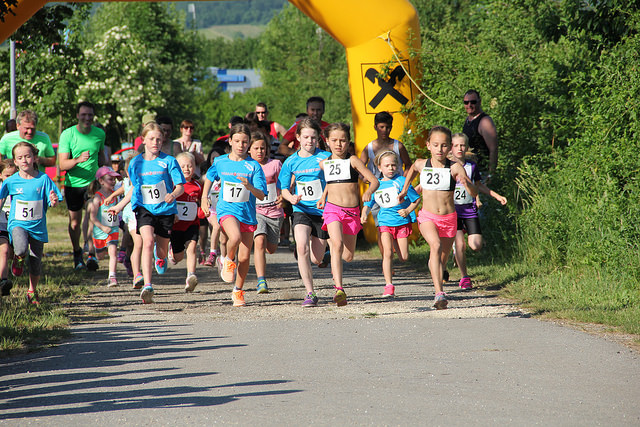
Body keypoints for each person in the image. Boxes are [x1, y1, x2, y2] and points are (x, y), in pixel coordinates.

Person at [399, 126, 477, 310]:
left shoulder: (455, 167)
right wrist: (405, 189)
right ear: (428, 145)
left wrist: (467, 183)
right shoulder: (422, 164)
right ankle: (439, 293)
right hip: (428, 217)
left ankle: (437, 272)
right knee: (435, 245)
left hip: (449, 218)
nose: (439, 149)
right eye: (435, 145)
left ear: (449, 147)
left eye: (443, 145)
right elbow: (412, 170)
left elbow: (473, 193)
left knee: (442, 258)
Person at [110, 123, 185, 304]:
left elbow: (180, 186)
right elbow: (134, 188)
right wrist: (119, 206)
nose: (155, 142)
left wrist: (173, 194)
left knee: (161, 251)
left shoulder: (169, 161)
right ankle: (148, 286)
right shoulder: (136, 163)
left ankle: (161, 257)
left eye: (159, 139)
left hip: (165, 210)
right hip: (144, 208)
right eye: (151, 139)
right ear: (143, 140)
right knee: (147, 241)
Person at [201, 123, 267, 307]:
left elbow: (262, 194)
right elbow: (209, 177)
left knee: (244, 258)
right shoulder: (220, 161)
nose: (241, 145)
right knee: (235, 237)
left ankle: (238, 290)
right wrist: (204, 198)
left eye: (244, 142)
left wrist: (249, 186)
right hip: (227, 210)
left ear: (249, 143)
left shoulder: (254, 166)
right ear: (230, 141)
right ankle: (228, 260)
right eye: (237, 141)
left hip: (247, 213)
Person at [318, 123, 378, 306]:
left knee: (348, 256)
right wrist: (324, 196)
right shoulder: (324, 163)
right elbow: (331, 182)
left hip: (351, 212)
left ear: (348, 141)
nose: (338, 144)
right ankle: (339, 289)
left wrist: (369, 191)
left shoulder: (353, 161)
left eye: (343, 140)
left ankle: (332, 248)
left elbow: (374, 181)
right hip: (332, 209)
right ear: (327, 141)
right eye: (334, 140)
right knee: (337, 244)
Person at [277, 117, 331, 307]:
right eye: (306, 137)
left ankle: (323, 253)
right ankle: (310, 293)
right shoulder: (291, 161)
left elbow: (334, 182)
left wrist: (325, 196)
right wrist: (291, 198)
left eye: (313, 137)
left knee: (317, 258)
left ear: (318, 138)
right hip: (301, 210)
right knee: (301, 248)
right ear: (298, 137)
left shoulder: (326, 158)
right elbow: (284, 188)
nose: (310, 141)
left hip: (321, 211)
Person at [0, 142, 63, 304]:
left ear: (35, 158)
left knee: (36, 262)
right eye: (20, 157)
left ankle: (32, 291)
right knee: (21, 248)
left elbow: (54, 199)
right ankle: (18, 257)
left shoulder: (43, 179)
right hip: (18, 223)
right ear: (15, 161)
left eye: (27, 156)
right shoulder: (11, 181)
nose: (24, 160)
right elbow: (1, 198)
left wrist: (54, 201)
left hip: (38, 226)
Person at [448, 133, 507, 289]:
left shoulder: (471, 166)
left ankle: (456, 252)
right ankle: (464, 277)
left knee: (476, 245)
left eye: (462, 145)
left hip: (469, 210)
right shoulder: (447, 167)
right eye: (456, 145)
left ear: (467, 147)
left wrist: (497, 196)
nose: (459, 148)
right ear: (451, 148)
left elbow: (479, 186)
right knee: (460, 245)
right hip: (453, 211)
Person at [361, 151, 421, 297]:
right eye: (387, 165)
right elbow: (369, 202)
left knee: (404, 257)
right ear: (379, 167)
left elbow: (416, 199)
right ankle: (389, 285)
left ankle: (395, 242)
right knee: (387, 253)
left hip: (401, 223)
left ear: (398, 166)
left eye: (393, 165)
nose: (390, 168)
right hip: (385, 223)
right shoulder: (376, 184)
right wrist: (364, 213)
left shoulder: (402, 181)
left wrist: (407, 210)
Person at [58, 101, 107, 270]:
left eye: (90, 115)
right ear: (77, 115)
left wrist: (106, 173)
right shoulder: (68, 134)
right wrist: (78, 160)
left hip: (93, 184)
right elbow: (62, 165)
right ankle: (77, 252)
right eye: (84, 115)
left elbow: (101, 156)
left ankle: (91, 254)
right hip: (73, 184)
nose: (87, 118)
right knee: (75, 223)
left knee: (92, 217)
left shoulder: (99, 134)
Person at [248, 130, 284, 294]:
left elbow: (283, 184)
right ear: (249, 149)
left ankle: (262, 278)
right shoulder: (247, 166)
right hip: (256, 211)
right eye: (256, 148)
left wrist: (283, 197)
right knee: (260, 241)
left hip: (274, 211)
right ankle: (261, 281)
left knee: (271, 248)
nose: (259, 151)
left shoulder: (275, 164)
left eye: (262, 148)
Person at [105, 154, 144, 289]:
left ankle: (129, 260)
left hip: (144, 215)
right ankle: (136, 273)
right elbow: (122, 190)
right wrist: (111, 197)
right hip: (130, 215)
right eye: (133, 171)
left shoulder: (144, 181)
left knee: (142, 243)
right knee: (138, 242)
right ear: (127, 172)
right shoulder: (126, 182)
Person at [170, 152, 203, 292]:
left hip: (192, 224)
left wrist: (203, 210)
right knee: (178, 257)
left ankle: (191, 276)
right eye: (182, 166)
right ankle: (172, 252)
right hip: (176, 225)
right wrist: (172, 213)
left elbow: (202, 202)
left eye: (189, 166)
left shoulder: (198, 186)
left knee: (192, 247)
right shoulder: (173, 185)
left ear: (195, 167)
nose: (186, 169)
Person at [87, 166, 121, 287]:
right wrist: (102, 227)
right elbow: (93, 217)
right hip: (100, 231)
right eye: (110, 179)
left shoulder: (114, 195)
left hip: (113, 230)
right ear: (101, 181)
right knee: (100, 256)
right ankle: (95, 255)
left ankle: (112, 277)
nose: (113, 182)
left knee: (113, 252)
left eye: (114, 179)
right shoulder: (98, 197)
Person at [462, 90, 498, 180]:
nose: (469, 105)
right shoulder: (468, 120)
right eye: (466, 102)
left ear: (479, 102)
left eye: (473, 102)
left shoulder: (485, 122)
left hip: (482, 172)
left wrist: (491, 174)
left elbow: (493, 149)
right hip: (470, 170)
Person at [0, 159, 16, 296]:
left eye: (13, 175)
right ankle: (3, 281)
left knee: (14, 252)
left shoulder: (20, 187)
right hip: (2, 224)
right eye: (7, 176)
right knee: (4, 250)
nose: (10, 179)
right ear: (0, 175)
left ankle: (17, 262)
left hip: (17, 224)